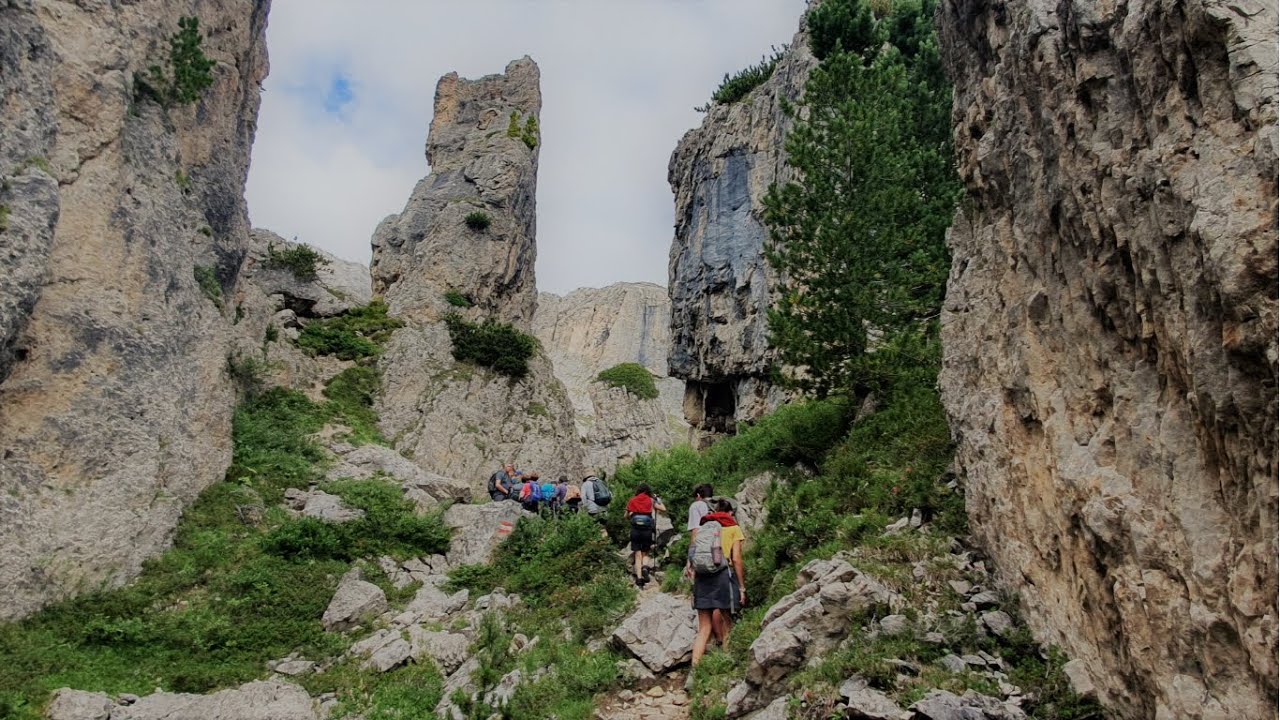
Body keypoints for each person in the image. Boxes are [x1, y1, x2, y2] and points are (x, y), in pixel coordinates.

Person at [691, 499, 746, 665]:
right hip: (722, 576)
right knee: (727, 623)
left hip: (702, 578)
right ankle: (725, 665)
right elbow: (736, 559)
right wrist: (741, 587)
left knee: (703, 628)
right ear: (730, 512)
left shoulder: (704, 527)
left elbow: (693, 553)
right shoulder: (733, 528)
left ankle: (695, 669)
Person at [625, 484, 666, 587]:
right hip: (647, 530)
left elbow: (625, 516)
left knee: (637, 554)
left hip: (635, 530)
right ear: (648, 491)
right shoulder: (650, 500)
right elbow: (663, 508)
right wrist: (657, 499)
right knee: (645, 552)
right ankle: (644, 567)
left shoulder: (632, 500)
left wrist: (631, 514)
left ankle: (639, 579)